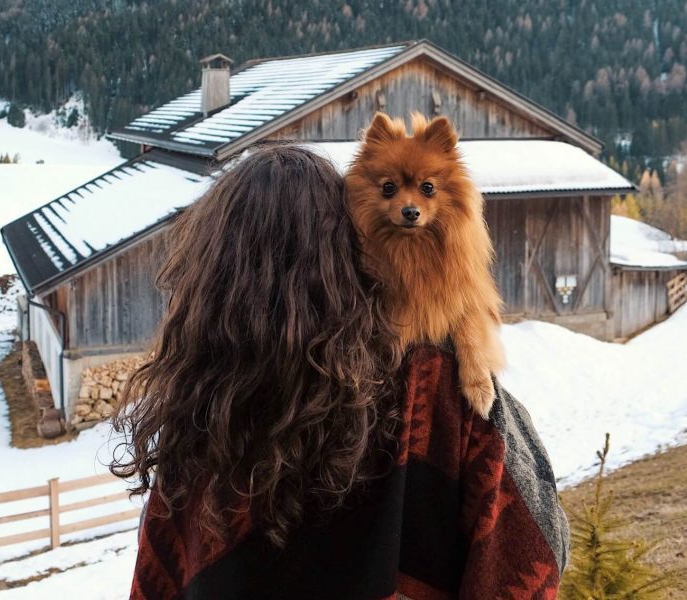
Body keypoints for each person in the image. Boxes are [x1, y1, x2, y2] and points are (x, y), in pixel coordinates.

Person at [111, 144, 569, 599]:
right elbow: (534, 540)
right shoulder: (430, 386)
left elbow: (159, 583)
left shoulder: (198, 430)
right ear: (349, 253)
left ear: (207, 282)